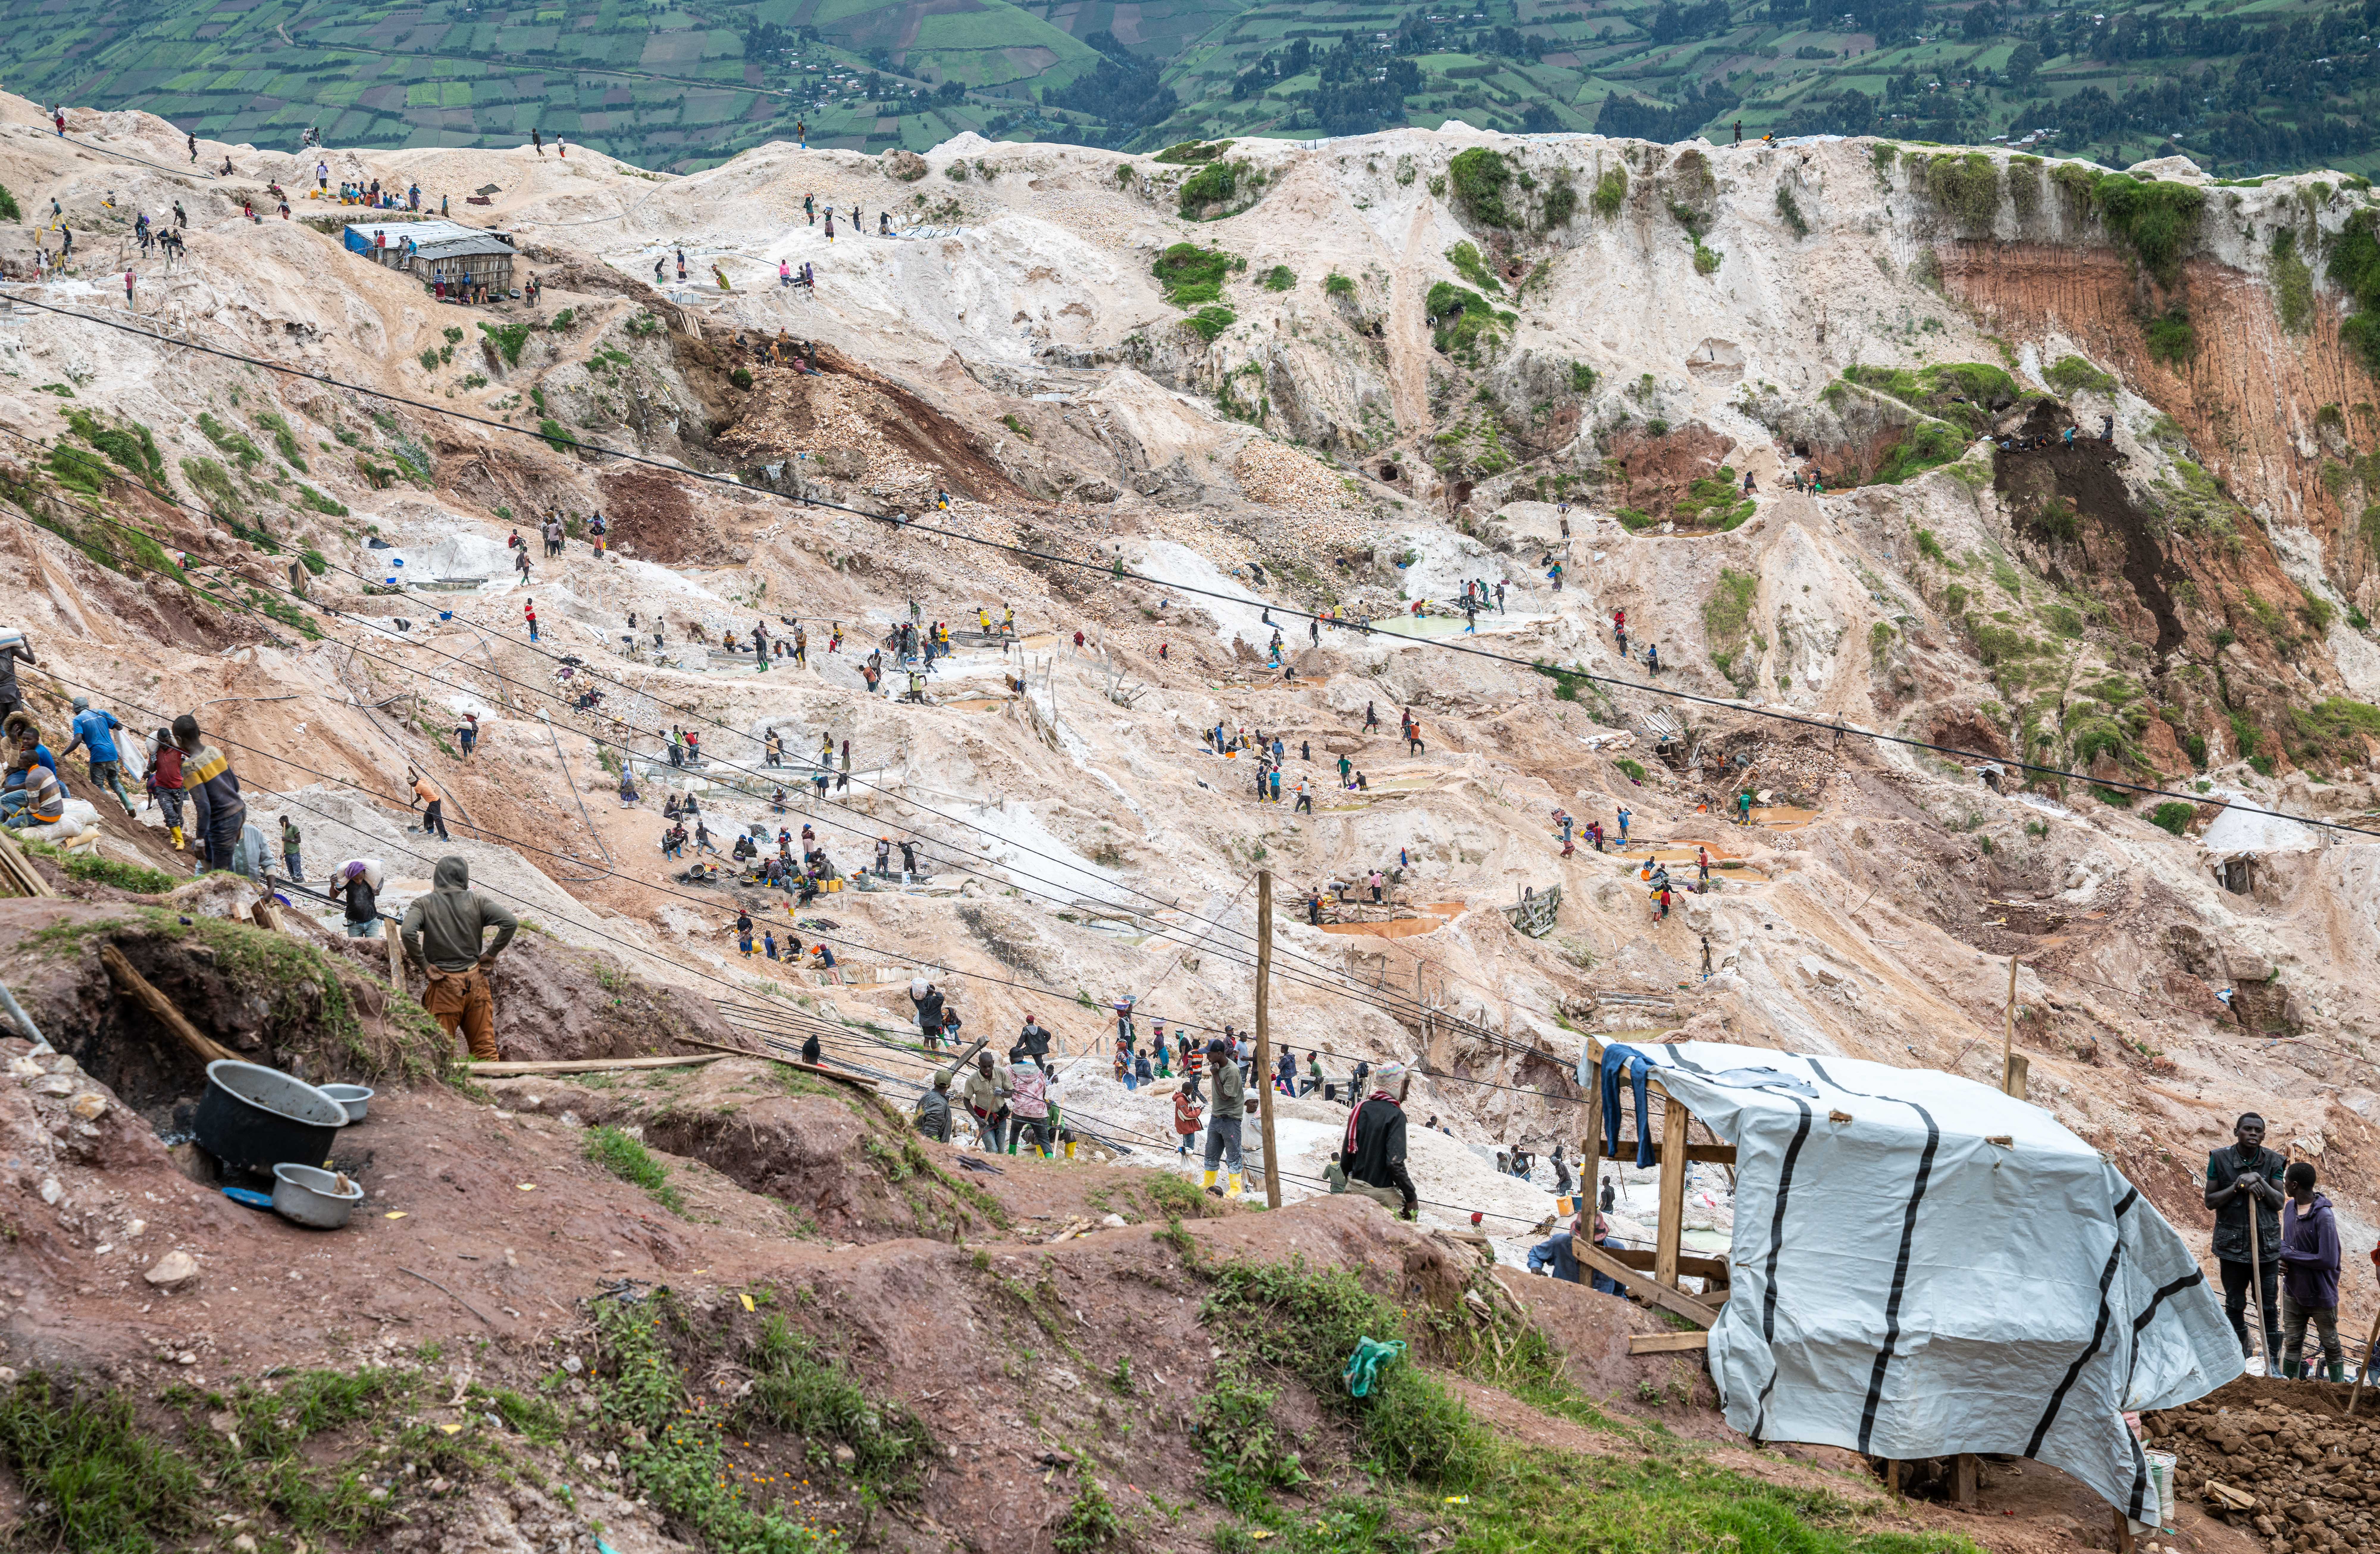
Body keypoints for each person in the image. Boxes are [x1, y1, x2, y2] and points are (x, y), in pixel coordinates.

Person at [399, 856, 520, 1062]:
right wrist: (491, 955)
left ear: (438, 877)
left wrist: (425, 966)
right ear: (464, 877)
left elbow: (408, 932)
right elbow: (510, 922)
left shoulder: (424, 904)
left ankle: (452, 1093)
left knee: (440, 1054)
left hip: (445, 986)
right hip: (476, 982)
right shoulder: (478, 901)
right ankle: (493, 1091)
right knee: (485, 1051)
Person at [2206, 1112, 2287, 1366]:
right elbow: (2210, 1201)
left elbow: (2279, 1202)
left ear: (2264, 1135)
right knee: (2235, 1303)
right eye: (2248, 1129)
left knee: (2267, 1306)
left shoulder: (2275, 1161)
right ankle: (2237, 1358)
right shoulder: (2219, 1159)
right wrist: (2239, 1186)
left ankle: (2273, 1362)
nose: (2253, 1134)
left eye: (2258, 1131)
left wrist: (2260, 1179)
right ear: (2236, 1132)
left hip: (2266, 1247)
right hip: (2232, 1247)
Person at [2279, 1160, 2345, 1380]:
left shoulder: (2324, 1216)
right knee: (2293, 1343)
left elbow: (2328, 1259)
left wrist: (2288, 1254)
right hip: (2294, 1290)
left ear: (2295, 1184)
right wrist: (2282, 1255)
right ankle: (2289, 1390)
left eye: (2286, 1180)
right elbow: (2286, 1243)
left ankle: (2339, 1393)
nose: (2284, 1183)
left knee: (2331, 1345)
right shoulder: (2289, 1208)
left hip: (2321, 1293)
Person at [1338, 1061, 1418, 1218]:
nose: (1407, 1095)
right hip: (1382, 1195)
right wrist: (1412, 1197)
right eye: (1406, 1087)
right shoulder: (1396, 1115)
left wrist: (1357, 1185)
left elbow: (1345, 1161)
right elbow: (1395, 1163)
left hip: (1354, 1190)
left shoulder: (1359, 1109)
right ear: (1396, 1086)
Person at [173, 713, 245, 872]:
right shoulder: (214, 751)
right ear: (200, 732)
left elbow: (204, 806)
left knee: (222, 875)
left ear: (178, 740)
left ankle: (230, 893)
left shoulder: (190, 767)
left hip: (223, 821)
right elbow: (236, 785)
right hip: (240, 811)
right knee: (222, 861)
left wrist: (199, 839)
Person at [61, 695, 136, 816]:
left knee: (98, 786)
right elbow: (119, 726)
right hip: (112, 754)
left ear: (75, 710)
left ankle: (116, 810)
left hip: (98, 755)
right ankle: (129, 804)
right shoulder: (101, 712)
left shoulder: (78, 720)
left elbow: (78, 739)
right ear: (87, 706)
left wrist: (64, 754)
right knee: (114, 781)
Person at [1202, 1036, 1253, 1197]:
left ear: (1219, 1054)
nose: (1207, 1057)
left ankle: (1236, 1188)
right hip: (1216, 1116)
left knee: (1233, 1155)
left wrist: (1216, 1075)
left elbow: (1226, 1096)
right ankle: (1208, 1182)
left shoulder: (1231, 1071)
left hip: (1230, 1119)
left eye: (1209, 1054)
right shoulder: (1216, 1066)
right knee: (1211, 1153)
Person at [962, 1050, 1012, 1151]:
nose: (987, 1070)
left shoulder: (1001, 1073)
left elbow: (1011, 1092)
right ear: (979, 1065)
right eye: (984, 1067)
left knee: (1001, 1149)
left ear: (993, 1063)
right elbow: (966, 1101)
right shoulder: (972, 1080)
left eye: (990, 1066)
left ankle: (999, 1166)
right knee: (993, 1150)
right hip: (984, 1119)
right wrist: (978, 1119)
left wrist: (1002, 1093)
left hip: (1001, 1116)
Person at [1, 749, 62, 830]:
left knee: (7, 825)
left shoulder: (32, 778)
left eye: (22, 758)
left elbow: (34, 809)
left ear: (29, 762)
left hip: (48, 816)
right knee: (3, 799)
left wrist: (22, 813)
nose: (18, 760)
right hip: (55, 810)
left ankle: (17, 817)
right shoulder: (44, 769)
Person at [1009, 1056, 1054, 1156]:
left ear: (1011, 1059)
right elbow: (1043, 1091)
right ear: (1023, 1057)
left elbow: (1008, 1089)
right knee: (1044, 1139)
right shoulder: (1039, 1072)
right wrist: (1041, 1102)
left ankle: (1011, 1157)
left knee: (1015, 1132)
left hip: (1020, 1110)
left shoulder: (1009, 1070)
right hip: (1039, 1111)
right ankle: (1051, 1161)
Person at [335, 859, 383, 937]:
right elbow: (334, 897)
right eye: (356, 879)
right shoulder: (347, 883)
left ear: (364, 873)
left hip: (372, 922)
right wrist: (331, 885)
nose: (359, 881)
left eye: (361, 878)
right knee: (355, 948)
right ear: (351, 878)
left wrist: (379, 889)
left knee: (375, 947)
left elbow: (381, 880)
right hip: (354, 924)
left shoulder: (370, 880)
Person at [409, 767, 450, 840]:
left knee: (438, 819)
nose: (412, 786)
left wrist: (413, 803)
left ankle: (444, 837)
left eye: (411, 785)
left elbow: (419, 798)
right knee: (427, 816)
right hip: (435, 801)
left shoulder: (417, 788)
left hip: (434, 803)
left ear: (414, 783)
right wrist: (412, 771)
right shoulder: (422, 781)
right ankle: (430, 831)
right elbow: (417, 778)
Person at [915, 1074, 953, 1142]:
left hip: (917, 1142)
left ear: (935, 1082)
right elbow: (931, 1134)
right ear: (949, 1086)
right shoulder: (939, 1104)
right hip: (925, 1148)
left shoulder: (927, 1096)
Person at [910, 978, 947, 1049]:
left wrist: (913, 988)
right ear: (931, 992)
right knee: (933, 1040)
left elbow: (912, 996)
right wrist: (934, 991)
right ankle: (937, 1057)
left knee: (927, 1038)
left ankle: (927, 1055)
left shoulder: (919, 1001)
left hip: (923, 1023)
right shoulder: (934, 1000)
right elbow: (941, 997)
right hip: (931, 1023)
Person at [1173, 1084, 1202, 1158]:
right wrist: (1198, 1112)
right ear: (1186, 1090)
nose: (1191, 1093)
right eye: (1191, 1091)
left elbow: (1188, 1109)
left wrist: (1197, 1109)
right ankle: (1188, 1161)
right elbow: (1187, 1115)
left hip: (1188, 1126)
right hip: (1187, 1127)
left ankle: (1185, 1160)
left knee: (1186, 1147)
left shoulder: (1185, 1098)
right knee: (1189, 1149)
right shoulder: (1181, 1100)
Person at [279, 815, 303, 882]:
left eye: (282, 823)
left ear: (286, 822)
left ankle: (303, 887)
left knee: (298, 875)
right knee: (292, 875)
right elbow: (285, 844)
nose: (281, 825)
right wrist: (283, 854)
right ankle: (296, 888)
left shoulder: (294, 828)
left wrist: (287, 839)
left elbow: (299, 840)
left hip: (295, 854)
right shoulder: (284, 830)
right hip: (288, 855)